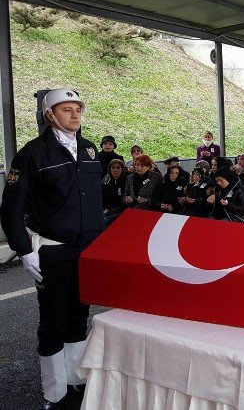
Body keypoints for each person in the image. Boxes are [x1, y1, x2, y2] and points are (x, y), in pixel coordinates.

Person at [0, 88, 105, 409]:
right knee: (52, 320)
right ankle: (54, 391)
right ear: (49, 115)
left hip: (85, 248)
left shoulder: (89, 150)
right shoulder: (32, 154)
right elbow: (11, 207)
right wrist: (24, 248)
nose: (75, 115)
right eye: (66, 110)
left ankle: (75, 379)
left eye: (78, 109)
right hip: (52, 250)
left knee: (78, 315)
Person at [101, 158, 127, 227]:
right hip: (108, 210)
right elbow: (105, 198)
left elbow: (125, 204)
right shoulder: (109, 182)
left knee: (104, 222)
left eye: (118, 168)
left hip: (120, 212)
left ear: (122, 169)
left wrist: (111, 211)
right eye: (113, 167)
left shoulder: (126, 182)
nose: (115, 170)